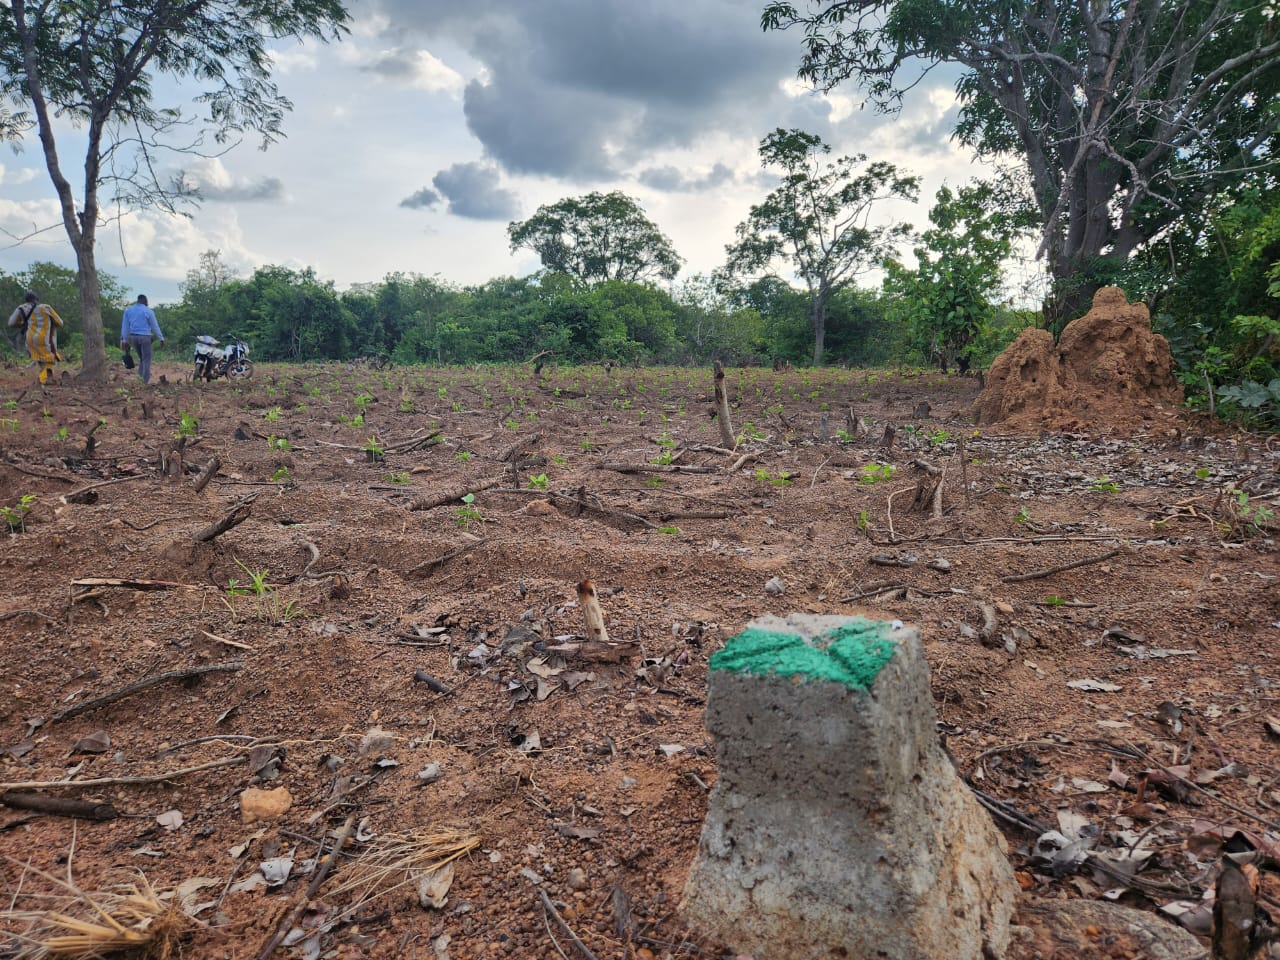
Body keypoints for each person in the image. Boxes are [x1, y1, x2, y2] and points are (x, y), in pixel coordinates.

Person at [7, 291, 63, 385]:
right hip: (45, 339)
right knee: (51, 360)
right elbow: (60, 323)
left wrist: (23, 323)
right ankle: (41, 380)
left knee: (39, 360)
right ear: (36, 299)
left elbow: (11, 323)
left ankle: (45, 379)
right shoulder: (46, 307)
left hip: (30, 340)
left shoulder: (21, 308)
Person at [120, 294, 164, 384]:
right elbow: (155, 326)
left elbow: (125, 326)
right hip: (145, 337)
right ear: (145, 301)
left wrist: (124, 340)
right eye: (147, 301)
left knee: (142, 358)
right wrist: (161, 338)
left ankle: (140, 379)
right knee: (146, 359)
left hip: (133, 337)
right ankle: (145, 382)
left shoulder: (128, 310)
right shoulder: (148, 311)